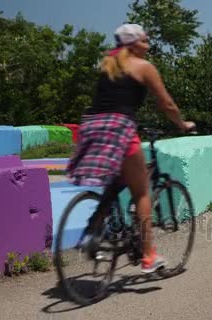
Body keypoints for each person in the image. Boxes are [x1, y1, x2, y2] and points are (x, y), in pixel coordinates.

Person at [66, 23, 195, 273]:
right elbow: (166, 103)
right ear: (134, 44)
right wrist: (181, 123)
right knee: (142, 191)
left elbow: (109, 101)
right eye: (145, 41)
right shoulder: (143, 67)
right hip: (120, 128)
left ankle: (93, 232)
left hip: (92, 126)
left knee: (117, 181)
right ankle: (148, 256)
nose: (148, 45)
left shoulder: (107, 64)